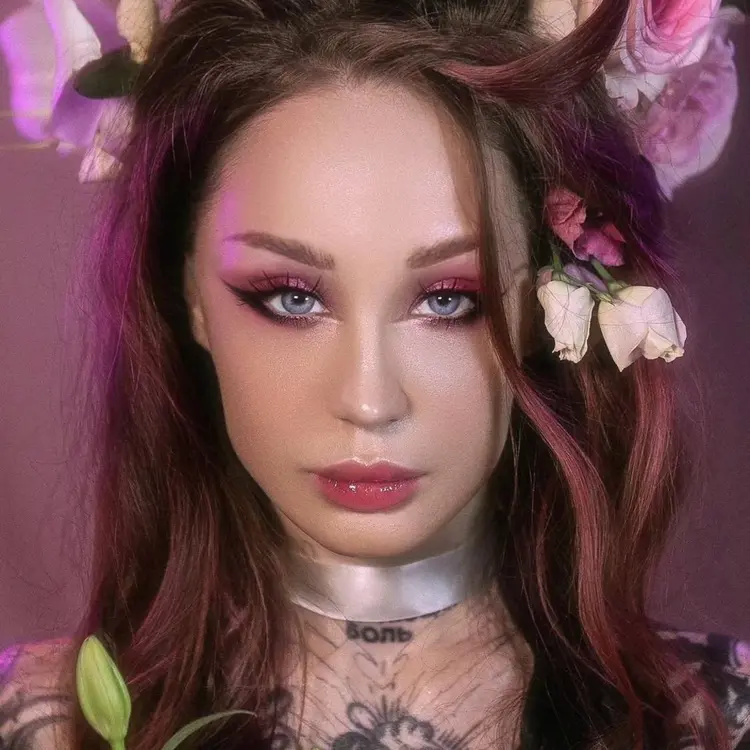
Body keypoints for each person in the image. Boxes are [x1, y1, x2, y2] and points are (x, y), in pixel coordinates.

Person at [0, 0, 748, 748]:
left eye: (448, 299)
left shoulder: (722, 722)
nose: (368, 400)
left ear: (543, 305)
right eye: (292, 298)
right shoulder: (31, 724)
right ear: (188, 292)